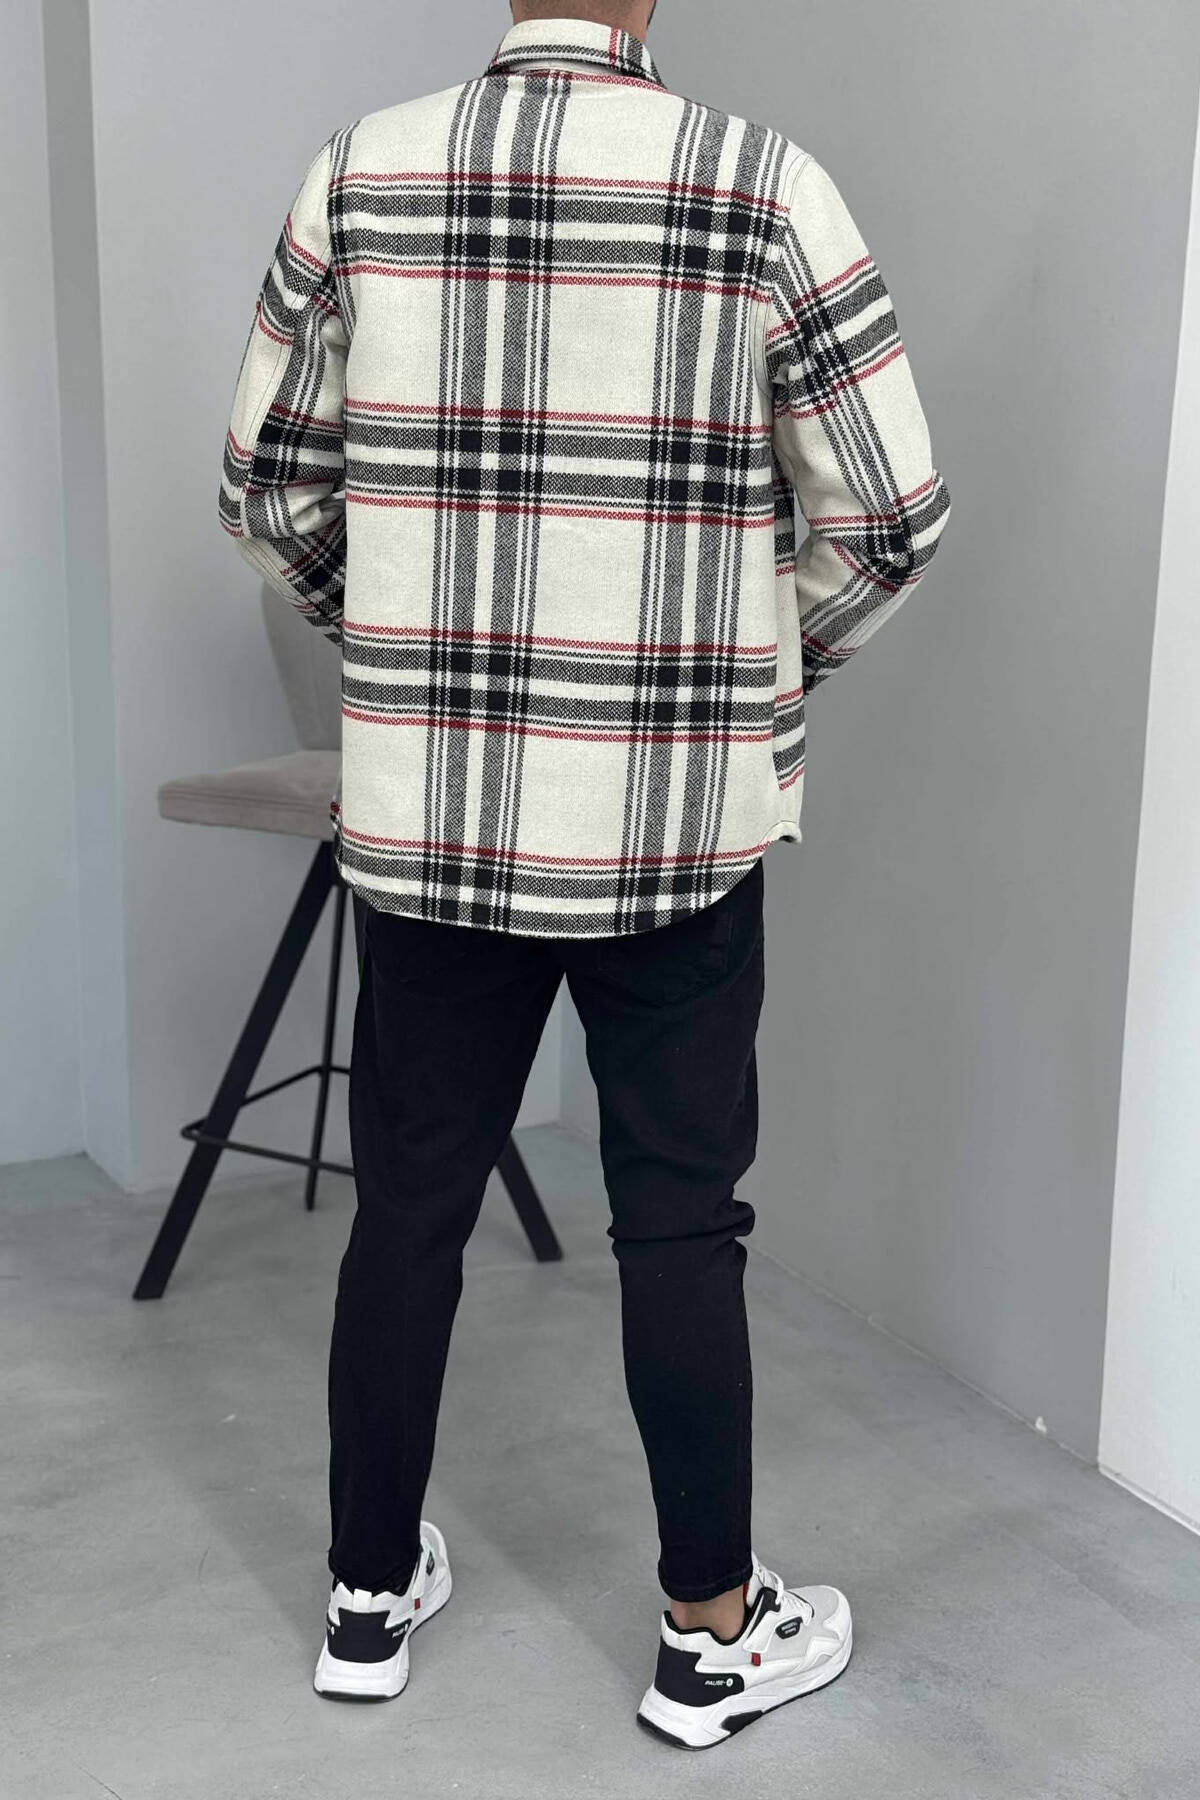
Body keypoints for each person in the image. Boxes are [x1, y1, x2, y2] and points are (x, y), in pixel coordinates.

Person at [218, 0, 950, 1750]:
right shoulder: (759, 184)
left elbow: (267, 487)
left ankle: (366, 1602)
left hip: (435, 818)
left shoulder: (364, 172)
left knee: (409, 1206)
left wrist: (402, 646)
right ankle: (710, 1638)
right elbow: (892, 515)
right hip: (673, 819)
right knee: (679, 1219)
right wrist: (745, 672)